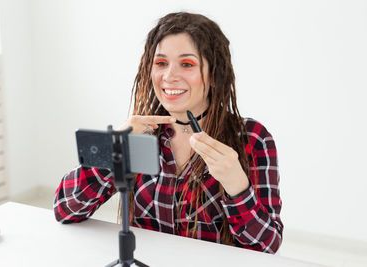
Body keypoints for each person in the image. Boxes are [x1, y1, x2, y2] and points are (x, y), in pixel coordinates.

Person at [54, 12, 283, 253]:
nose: (169, 76)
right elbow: (64, 210)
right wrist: (111, 149)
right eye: (161, 63)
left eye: (187, 64)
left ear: (215, 75)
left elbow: (267, 248)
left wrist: (237, 185)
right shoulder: (140, 135)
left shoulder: (252, 138)